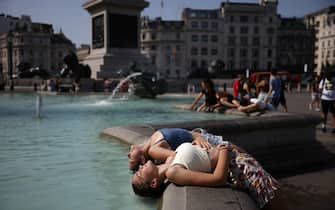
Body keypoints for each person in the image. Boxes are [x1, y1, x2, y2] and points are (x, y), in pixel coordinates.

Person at [131, 142, 280, 209]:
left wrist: (196, 142)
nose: (139, 168)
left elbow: (194, 156)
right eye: (139, 173)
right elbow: (218, 179)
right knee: (279, 202)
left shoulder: (169, 160)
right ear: (153, 183)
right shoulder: (173, 173)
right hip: (241, 169)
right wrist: (224, 152)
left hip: (239, 159)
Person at [128, 128, 224, 171]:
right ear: (142, 159)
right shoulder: (153, 151)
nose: (128, 155)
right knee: (235, 151)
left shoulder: (150, 142)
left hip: (201, 137)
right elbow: (177, 156)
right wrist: (198, 138)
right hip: (206, 142)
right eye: (131, 159)